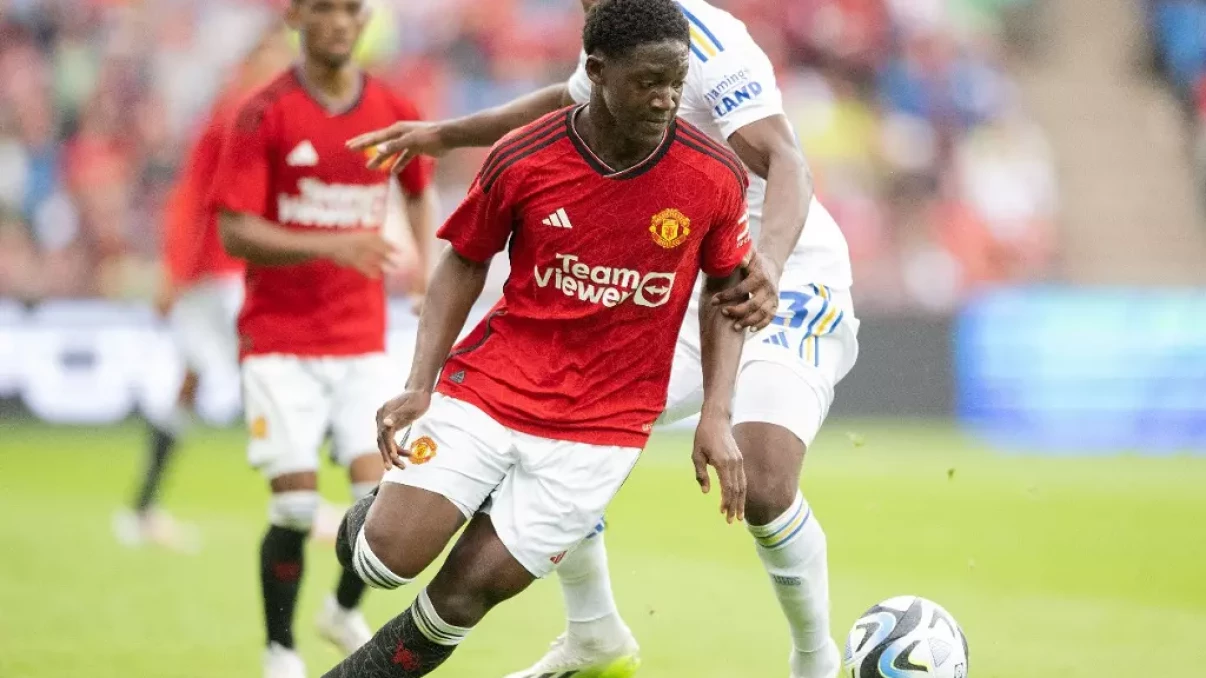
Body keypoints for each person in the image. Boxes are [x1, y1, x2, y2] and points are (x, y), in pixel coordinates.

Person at [348, 1, 859, 677]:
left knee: (763, 479)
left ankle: (815, 661)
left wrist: (768, 262)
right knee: (572, 409)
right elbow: (567, 103)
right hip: (677, 284)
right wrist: (447, 134)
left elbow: (786, 158)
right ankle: (594, 632)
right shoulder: (621, 37)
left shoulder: (705, 43)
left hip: (782, 275)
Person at [208, 1, 435, 676]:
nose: (339, 21)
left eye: (350, 9)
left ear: (364, 21)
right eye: (324, 8)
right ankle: (279, 649)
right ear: (296, 17)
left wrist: (425, 271)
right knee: (295, 504)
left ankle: (339, 609)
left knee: (382, 505)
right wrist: (334, 246)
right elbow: (235, 231)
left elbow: (418, 189)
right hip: (279, 342)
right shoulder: (263, 113)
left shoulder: (392, 109)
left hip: (360, 340)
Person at [112, 24, 293, 553]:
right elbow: (194, 197)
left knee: (195, 383)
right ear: (253, 64)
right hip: (218, 274)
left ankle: (142, 508)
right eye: (274, 62)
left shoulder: (258, 116)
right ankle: (298, 503)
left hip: (226, 272)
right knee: (272, 374)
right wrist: (174, 271)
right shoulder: (237, 116)